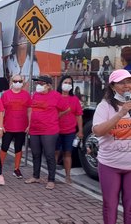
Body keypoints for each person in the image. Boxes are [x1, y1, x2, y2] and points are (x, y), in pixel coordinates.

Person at [92, 69, 131, 224]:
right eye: (122, 82)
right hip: (110, 165)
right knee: (110, 205)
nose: (127, 86)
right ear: (113, 86)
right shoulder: (105, 107)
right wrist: (121, 114)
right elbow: (98, 131)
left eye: (129, 82)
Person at [25, 75, 69, 190]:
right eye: (37, 83)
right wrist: (29, 125)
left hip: (49, 130)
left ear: (49, 85)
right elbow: (31, 110)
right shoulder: (35, 95)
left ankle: (51, 179)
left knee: (49, 155)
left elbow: (66, 108)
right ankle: (36, 176)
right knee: (36, 153)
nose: (38, 85)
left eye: (41, 83)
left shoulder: (56, 96)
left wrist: (55, 117)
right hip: (35, 129)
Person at [0, 74, 31, 179]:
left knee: (18, 148)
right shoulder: (5, 95)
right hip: (8, 126)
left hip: (21, 127)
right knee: (4, 147)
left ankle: (16, 169)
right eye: (15, 81)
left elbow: (29, 110)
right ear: (11, 82)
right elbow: (1, 111)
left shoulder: (26, 95)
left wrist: (29, 124)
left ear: (23, 82)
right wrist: (1, 125)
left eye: (20, 81)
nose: (17, 83)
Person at [55, 75, 83, 184]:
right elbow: (52, 115)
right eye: (65, 82)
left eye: (69, 83)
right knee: (55, 153)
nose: (67, 85)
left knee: (68, 154)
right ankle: (51, 175)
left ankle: (68, 176)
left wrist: (80, 130)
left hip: (70, 131)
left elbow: (78, 115)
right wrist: (64, 112)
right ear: (61, 83)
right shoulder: (55, 97)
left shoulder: (74, 99)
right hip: (55, 130)